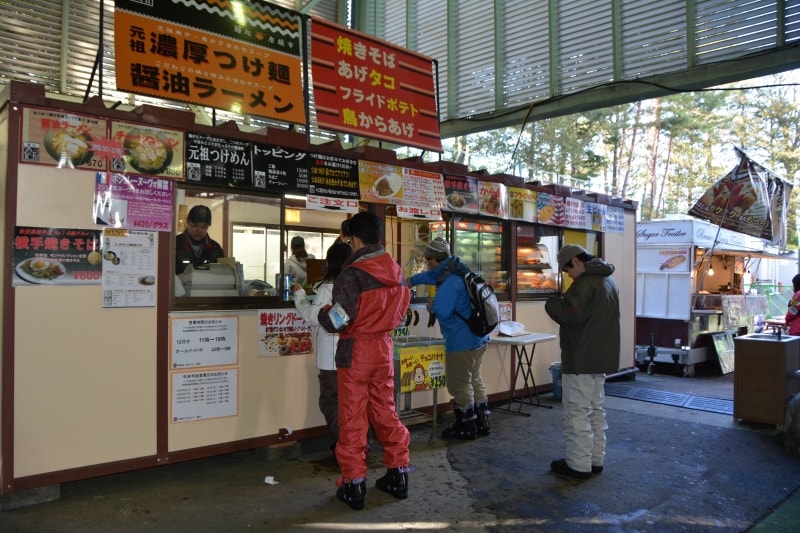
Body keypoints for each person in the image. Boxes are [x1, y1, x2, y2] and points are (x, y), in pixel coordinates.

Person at [317, 212, 411, 511]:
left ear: (354, 239)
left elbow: (338, 320)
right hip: (384, 348)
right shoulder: (396, 270)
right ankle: (398, 474)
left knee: (352, 416)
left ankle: (354, 483)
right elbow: (402, 311)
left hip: (356, 351)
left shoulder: (352, 273)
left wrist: (322, 313)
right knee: (386, 411)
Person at [545, 244, 620, 480]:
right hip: (601, 358)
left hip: (581, 358)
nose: (568, 275)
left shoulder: (585, 283)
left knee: (577, 412)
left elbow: (568, 313)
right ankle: (594, 459)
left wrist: (552, 301)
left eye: (568, 269)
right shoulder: (609, 281)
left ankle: (578, 465)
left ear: (577, 261)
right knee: (596, 411)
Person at [407, 237, 491, 440]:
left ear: (435, 259)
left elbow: (443, 311)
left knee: (460, 384)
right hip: (479, 338)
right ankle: (482, 421)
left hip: (461, 341)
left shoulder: (450, 283)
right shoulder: (458, 271)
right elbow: (431, 276)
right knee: (475, 379)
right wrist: (410, 281)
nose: (427, 264)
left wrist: (432, 306)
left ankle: (466, 426)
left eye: (428, 260)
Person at [292, 241, 352, 456]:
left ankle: (349, 446)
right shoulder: (356, 287)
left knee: (331, 402)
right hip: (354, 356)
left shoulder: (327, 289)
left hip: (332, 358)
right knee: (350, 404)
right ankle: (356, 442)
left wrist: (299, 295)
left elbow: (313, 317)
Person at [175, 205, 224, 274]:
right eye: (195, 226)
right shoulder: (175, 244)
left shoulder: (216, 249)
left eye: (203, 227)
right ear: (187, 221)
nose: (199, 230)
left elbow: (221, 273)